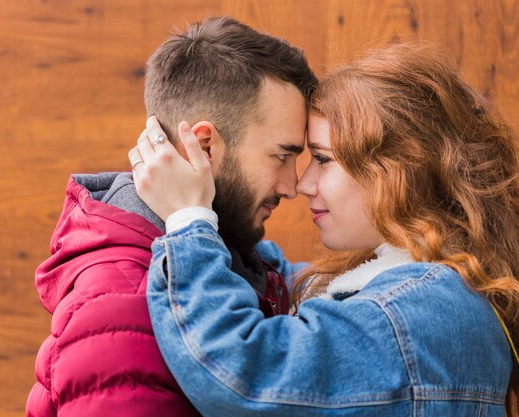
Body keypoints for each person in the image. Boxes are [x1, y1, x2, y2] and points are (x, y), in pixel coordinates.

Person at [130, 43, 519, 416]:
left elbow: (248, 375)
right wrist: (221, 205)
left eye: (322, 159)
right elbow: (283, 280)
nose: (302, 184)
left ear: (400, 169)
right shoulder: (422, 286)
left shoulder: (417, 314)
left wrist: (188, 220)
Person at [26, 16, 318, 417]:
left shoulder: (233, 259)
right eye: (282, 156)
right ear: (204, 145)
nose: (292, 186)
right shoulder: (125, 306)